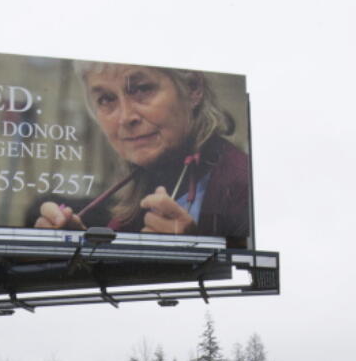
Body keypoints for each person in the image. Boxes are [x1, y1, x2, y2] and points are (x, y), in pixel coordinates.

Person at [34, 64, 251, 240]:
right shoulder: (141, 186)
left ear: (193, 88)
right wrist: (79, 256)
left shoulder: (245, 184)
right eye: (106, 99)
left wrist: (195, 250)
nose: (126, 118)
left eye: (142, 89)